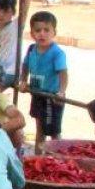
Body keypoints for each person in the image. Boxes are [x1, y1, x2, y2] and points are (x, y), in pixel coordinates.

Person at [18, 10, 68, 154]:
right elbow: (25, 65)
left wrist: (61, 91)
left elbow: (63, 73)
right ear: (32, 33)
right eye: (38, 30)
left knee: (54, 132)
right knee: (39, 128)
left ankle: (58, 160)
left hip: (52, 97)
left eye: (47, 30)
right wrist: (23, 80)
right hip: (37, 94)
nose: (42, 34)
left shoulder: (57, 53)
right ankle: (38, 159)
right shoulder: (32, 49)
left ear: (54, 32)